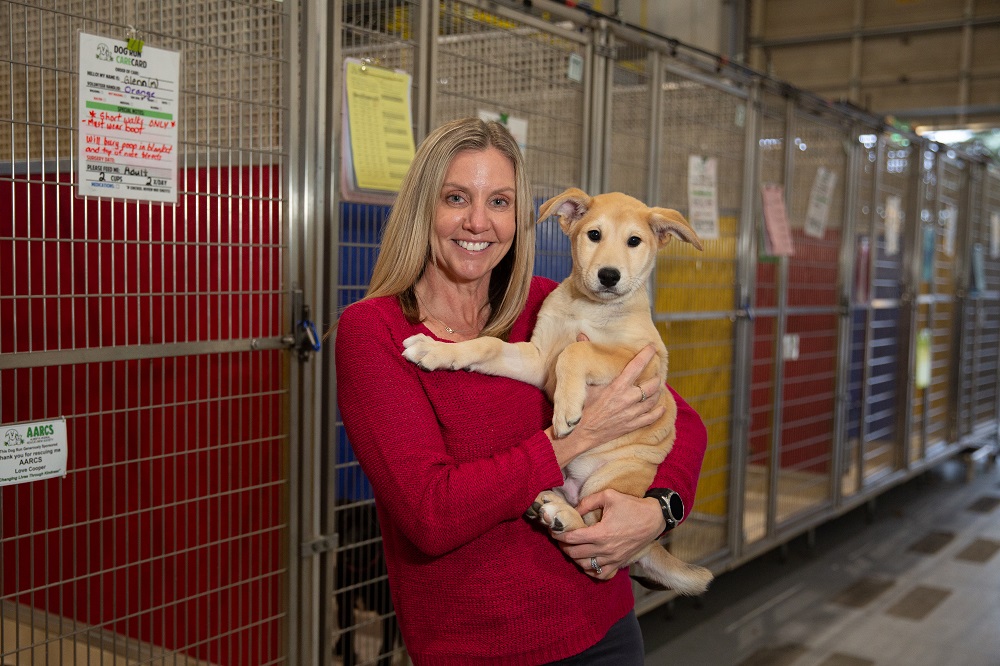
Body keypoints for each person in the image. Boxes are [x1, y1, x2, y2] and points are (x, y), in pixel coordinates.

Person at [334, 117, 707, 665]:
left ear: (519, 217)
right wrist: (571, 444)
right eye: (456, 197)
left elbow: (683, 421)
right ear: (422, 208)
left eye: (500, 202)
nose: (478, 221)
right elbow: (430, 514)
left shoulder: (545, 302)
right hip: (478, 648)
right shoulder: (375, 332)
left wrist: (657, 512)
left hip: (604, 626)